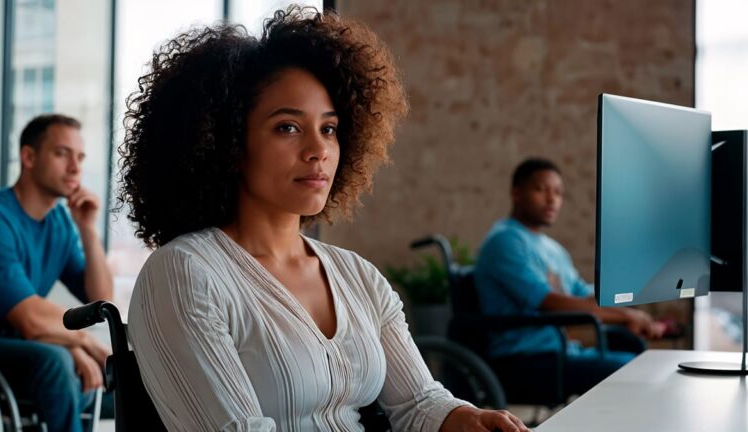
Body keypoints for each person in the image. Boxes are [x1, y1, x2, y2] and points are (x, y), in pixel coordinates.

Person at [119, 6, 529, 432]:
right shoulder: (187, 273)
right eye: (287, 128)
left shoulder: (358, 277)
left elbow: (417, 403)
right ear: (228, 144)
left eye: (329, 129)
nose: (319, 150)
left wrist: (467, 417)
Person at [474, 157, 665, 401]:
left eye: (558, 192)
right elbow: (549, 302)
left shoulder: (553, 249)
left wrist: (628, 292)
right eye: (541, 189)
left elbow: (582, 294)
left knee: (639, 357)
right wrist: (625, 315)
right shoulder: (505, 241)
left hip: (563, 354)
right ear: (517, 193)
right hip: (525, 361)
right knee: (633, 370)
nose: (552, 200)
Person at [0, 114, 113, 431]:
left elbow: (101, 301)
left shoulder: (61, 225)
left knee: (133, 378)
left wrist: (88, 231)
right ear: (28, 157)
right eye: (62, 153)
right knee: (57, 363)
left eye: (80, 157)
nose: (75, 167)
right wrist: (79, 343)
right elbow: (29, 319)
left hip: (33, 344)